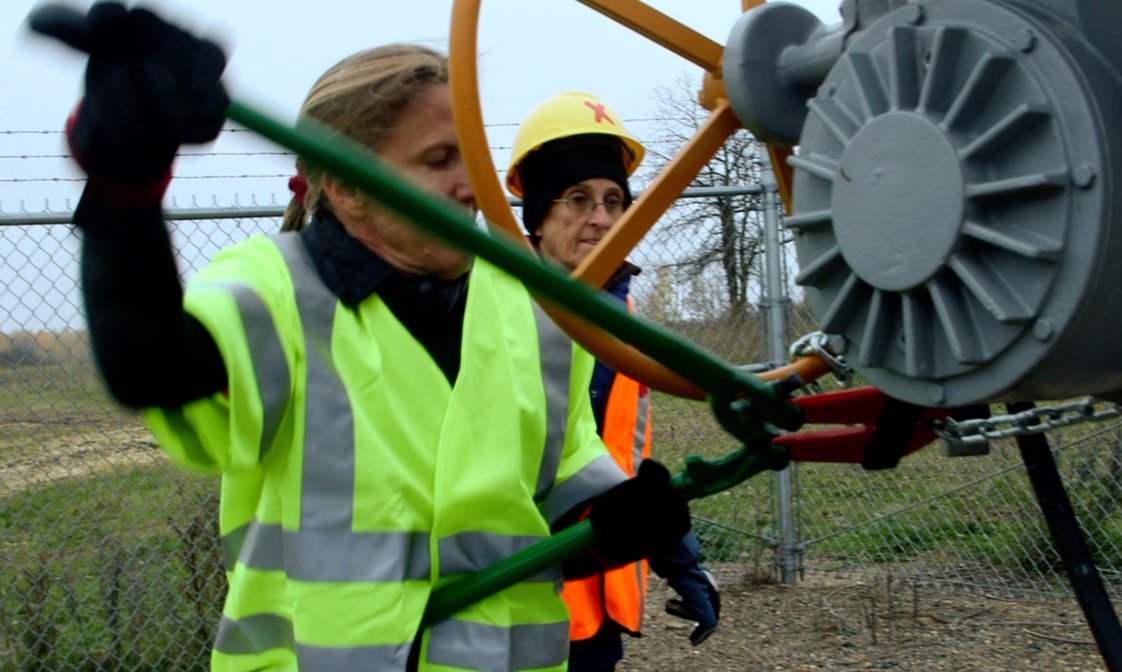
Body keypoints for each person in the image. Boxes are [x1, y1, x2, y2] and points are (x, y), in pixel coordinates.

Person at [33, 4, 693, 671]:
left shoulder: (537, 309)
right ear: (346, 186)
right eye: (439, 160)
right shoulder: (275, 290)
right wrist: (125, 195)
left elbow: (556, 509)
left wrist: (617, 531)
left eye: (473, 155)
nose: (472, 186)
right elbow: (152, 368)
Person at [507, 91, 721, 672]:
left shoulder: (617, 317)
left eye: (613, 200)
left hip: (598, 589)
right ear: (538, 214)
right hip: (520, 595)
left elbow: (616, 458)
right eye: (577, 199)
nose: (601, 218)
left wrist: (680, 560)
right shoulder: (496, 312)